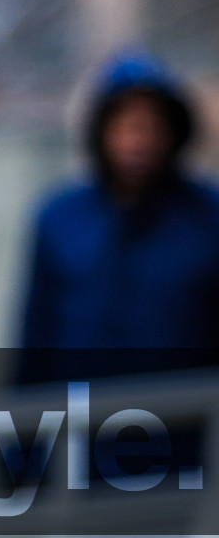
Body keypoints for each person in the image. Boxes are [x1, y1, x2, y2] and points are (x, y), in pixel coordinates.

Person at [19, 52, 219, 374]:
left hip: (188, 417)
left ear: (174, 132)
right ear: (101, 131)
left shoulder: (209, 217)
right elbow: (36, 339)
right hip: (81, 416)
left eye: (152, 125)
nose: (138, 140)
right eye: (125, 125)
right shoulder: (60, 218)